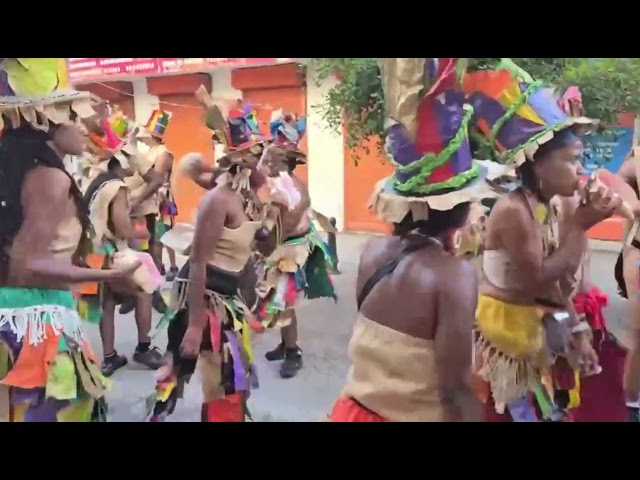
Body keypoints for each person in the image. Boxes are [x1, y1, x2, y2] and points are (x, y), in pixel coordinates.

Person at [329, 58, 508, 422]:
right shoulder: (453, 275)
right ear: (459, 208)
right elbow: (455, 390)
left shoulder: (373, 251)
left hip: (350, 412)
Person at [463, 59, 621, 421]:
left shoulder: (554, 203)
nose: (580, 171)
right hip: (507, 338)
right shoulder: (513, 210)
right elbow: (539, 280)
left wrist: (578, 330)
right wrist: (581, 227)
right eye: (571, 161)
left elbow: (562, 287)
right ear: (535, 164)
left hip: (539, 328)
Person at [0, 58, 140, 422]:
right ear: (45, 121)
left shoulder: (26, 169)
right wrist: (112, 277)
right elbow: (27, 263)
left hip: (22, 315)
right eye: (72, 117)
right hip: (37, 325)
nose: (84, 127)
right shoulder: (49, 178)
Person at [147, 104, 269, 422]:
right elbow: (199, 262)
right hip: (203, 296)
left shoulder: (250, 197)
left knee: (229, 382)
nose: (268, 164)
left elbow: (262, 248)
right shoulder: (218, 200)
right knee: (184, 375)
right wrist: (195, 325)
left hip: (228, 298)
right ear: (245, 162)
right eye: (263, 157)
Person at [255, 112, 337, 379]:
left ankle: (293, 352)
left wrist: (261, 241)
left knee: (283, 302)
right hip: (283, 248)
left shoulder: (291, 188)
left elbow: (285, 226)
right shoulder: (278, 184)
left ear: (286, 161)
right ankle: (285, 344)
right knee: (280, 302)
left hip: (290, 252)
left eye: (272, 157)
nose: (265, 160)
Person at [82, 140, 165, 376]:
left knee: (107, 302)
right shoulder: (118, 187)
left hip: (93, 252)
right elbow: (121, 229)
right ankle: (143, 348)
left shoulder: (99, 181)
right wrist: (139, 232)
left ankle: (109, 357)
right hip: (109, 252)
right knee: (143, 291)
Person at [120, 110, 175, 314]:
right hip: (136, 207)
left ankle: (156, 293)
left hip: (151, 208)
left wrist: (136, 200)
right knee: (136, 251)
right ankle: (135, 292)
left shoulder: (163, 154)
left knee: (153, 251)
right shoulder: (147, 153)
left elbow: (156, 181)